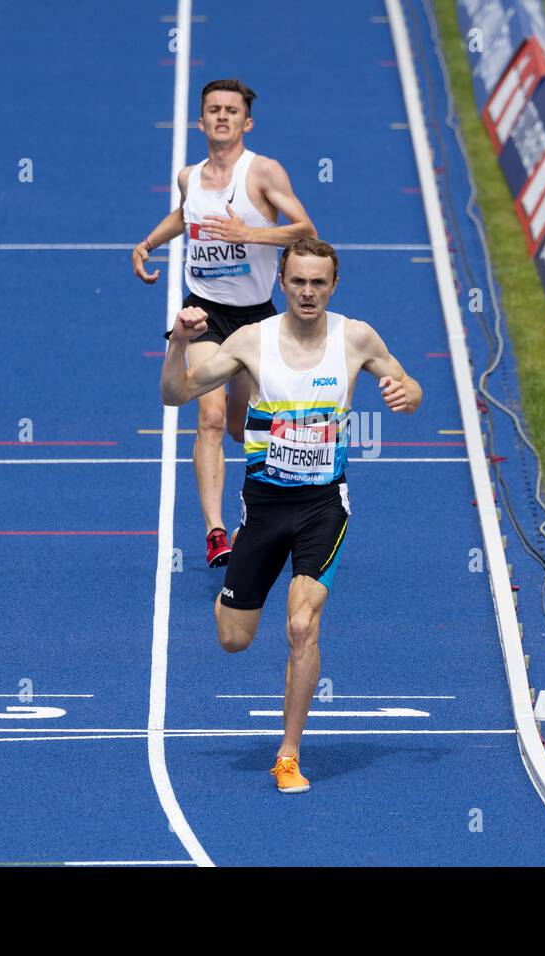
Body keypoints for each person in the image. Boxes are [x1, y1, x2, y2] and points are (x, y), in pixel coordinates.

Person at [160, 238, 423, 793]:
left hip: (323, 504)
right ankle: (237, 579)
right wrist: (180, 343)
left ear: (333, 285)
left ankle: (289, 753)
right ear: (281, 282)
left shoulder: (356, 338)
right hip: (264, 506)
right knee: (234, 639)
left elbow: (411, 385)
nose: (308, 292)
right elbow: (175, 393)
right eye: (298, 281)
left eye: (318, 283)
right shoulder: (251, 341)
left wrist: (407, 393)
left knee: (302, 624)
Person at [134, 78, 315, 568]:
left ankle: (270, 503)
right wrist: (149, 242)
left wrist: (247, 233)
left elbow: (306, 230)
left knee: (242, 427)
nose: (221, 117)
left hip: (255, 317)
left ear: (246, 122)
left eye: (231, 111)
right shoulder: (188, 176)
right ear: (201, 120)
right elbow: (184, 215)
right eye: (213, 109)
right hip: (204, 312)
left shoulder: (264, 173)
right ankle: (217, 532)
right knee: (209, 416)